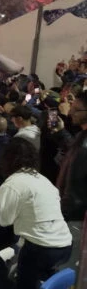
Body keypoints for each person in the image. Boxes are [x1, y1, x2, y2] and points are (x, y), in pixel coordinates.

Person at [0, 138, 73, 289]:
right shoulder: (42, 179)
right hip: (65, 245)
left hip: (41, 249)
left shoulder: (13, 183)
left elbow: (2, 219)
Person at [58, 91, 87, 250]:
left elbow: (74, 187)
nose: (70, 112)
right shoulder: (81, 136)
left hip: (75, 219)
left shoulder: (84, 148)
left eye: (76, 109)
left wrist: (62, 214)